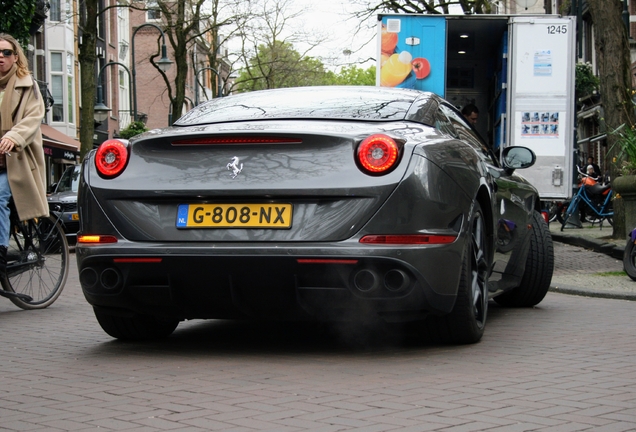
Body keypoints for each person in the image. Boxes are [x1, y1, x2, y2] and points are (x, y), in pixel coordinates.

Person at [0, 33, 48, 280]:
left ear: (15, 57)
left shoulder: (26, 83)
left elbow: (33, 116)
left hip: (16, 159)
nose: (1, 57)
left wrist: (14, 137)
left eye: (6, 53)